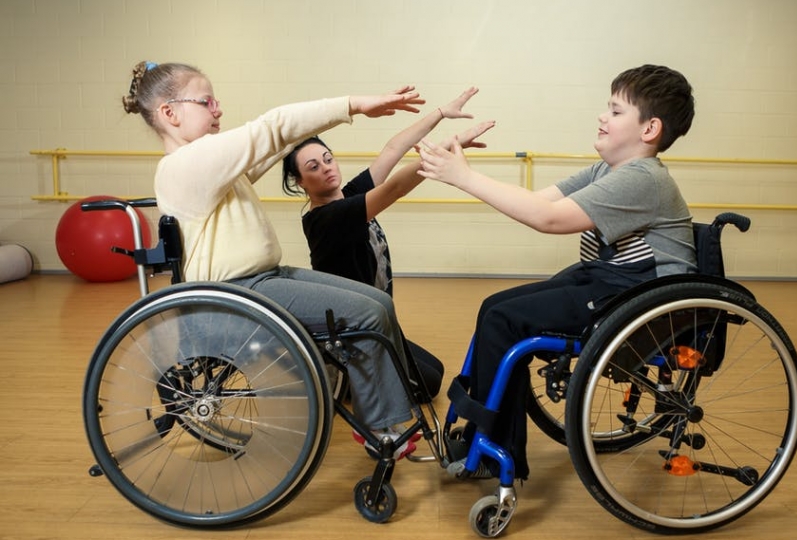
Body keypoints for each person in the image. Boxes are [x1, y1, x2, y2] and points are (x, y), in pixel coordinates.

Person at [122, 60, 426, 460]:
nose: (218, 109)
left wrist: (336, 121)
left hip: (262, 279)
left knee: (379, 304)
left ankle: (385, 414)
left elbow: (279, 142)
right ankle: (380, 428)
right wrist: (354, 104)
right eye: (206, 101)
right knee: (367, 316)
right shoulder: (185, 165)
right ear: (169, 113)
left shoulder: (208, 167)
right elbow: (274, 126)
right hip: (237, 293)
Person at [416, 64, 698, 479]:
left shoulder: (643, 178)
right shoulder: (609, 170)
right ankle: (483, 433)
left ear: (650, 128)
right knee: (495, 305)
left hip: (642, 298)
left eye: (616, 111)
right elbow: (536, 201)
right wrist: (463, 174)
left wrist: (464, 178)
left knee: (504, 319)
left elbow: (547, 219)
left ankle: (498, 451)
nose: (603, 116)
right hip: (612, 282)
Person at [280, 87, 495, 400]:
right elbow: (394, 187)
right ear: (299, 182)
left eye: (328, 159)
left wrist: (439, 114)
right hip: (353, 327)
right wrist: (445, 152)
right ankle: (347, 376)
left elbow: (393, 149)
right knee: (430, 383)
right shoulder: (327, 218)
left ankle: (360, 372)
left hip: (376, 319)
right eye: (313, 167)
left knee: (433, 367)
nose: (327, 167)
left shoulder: (348, 195)